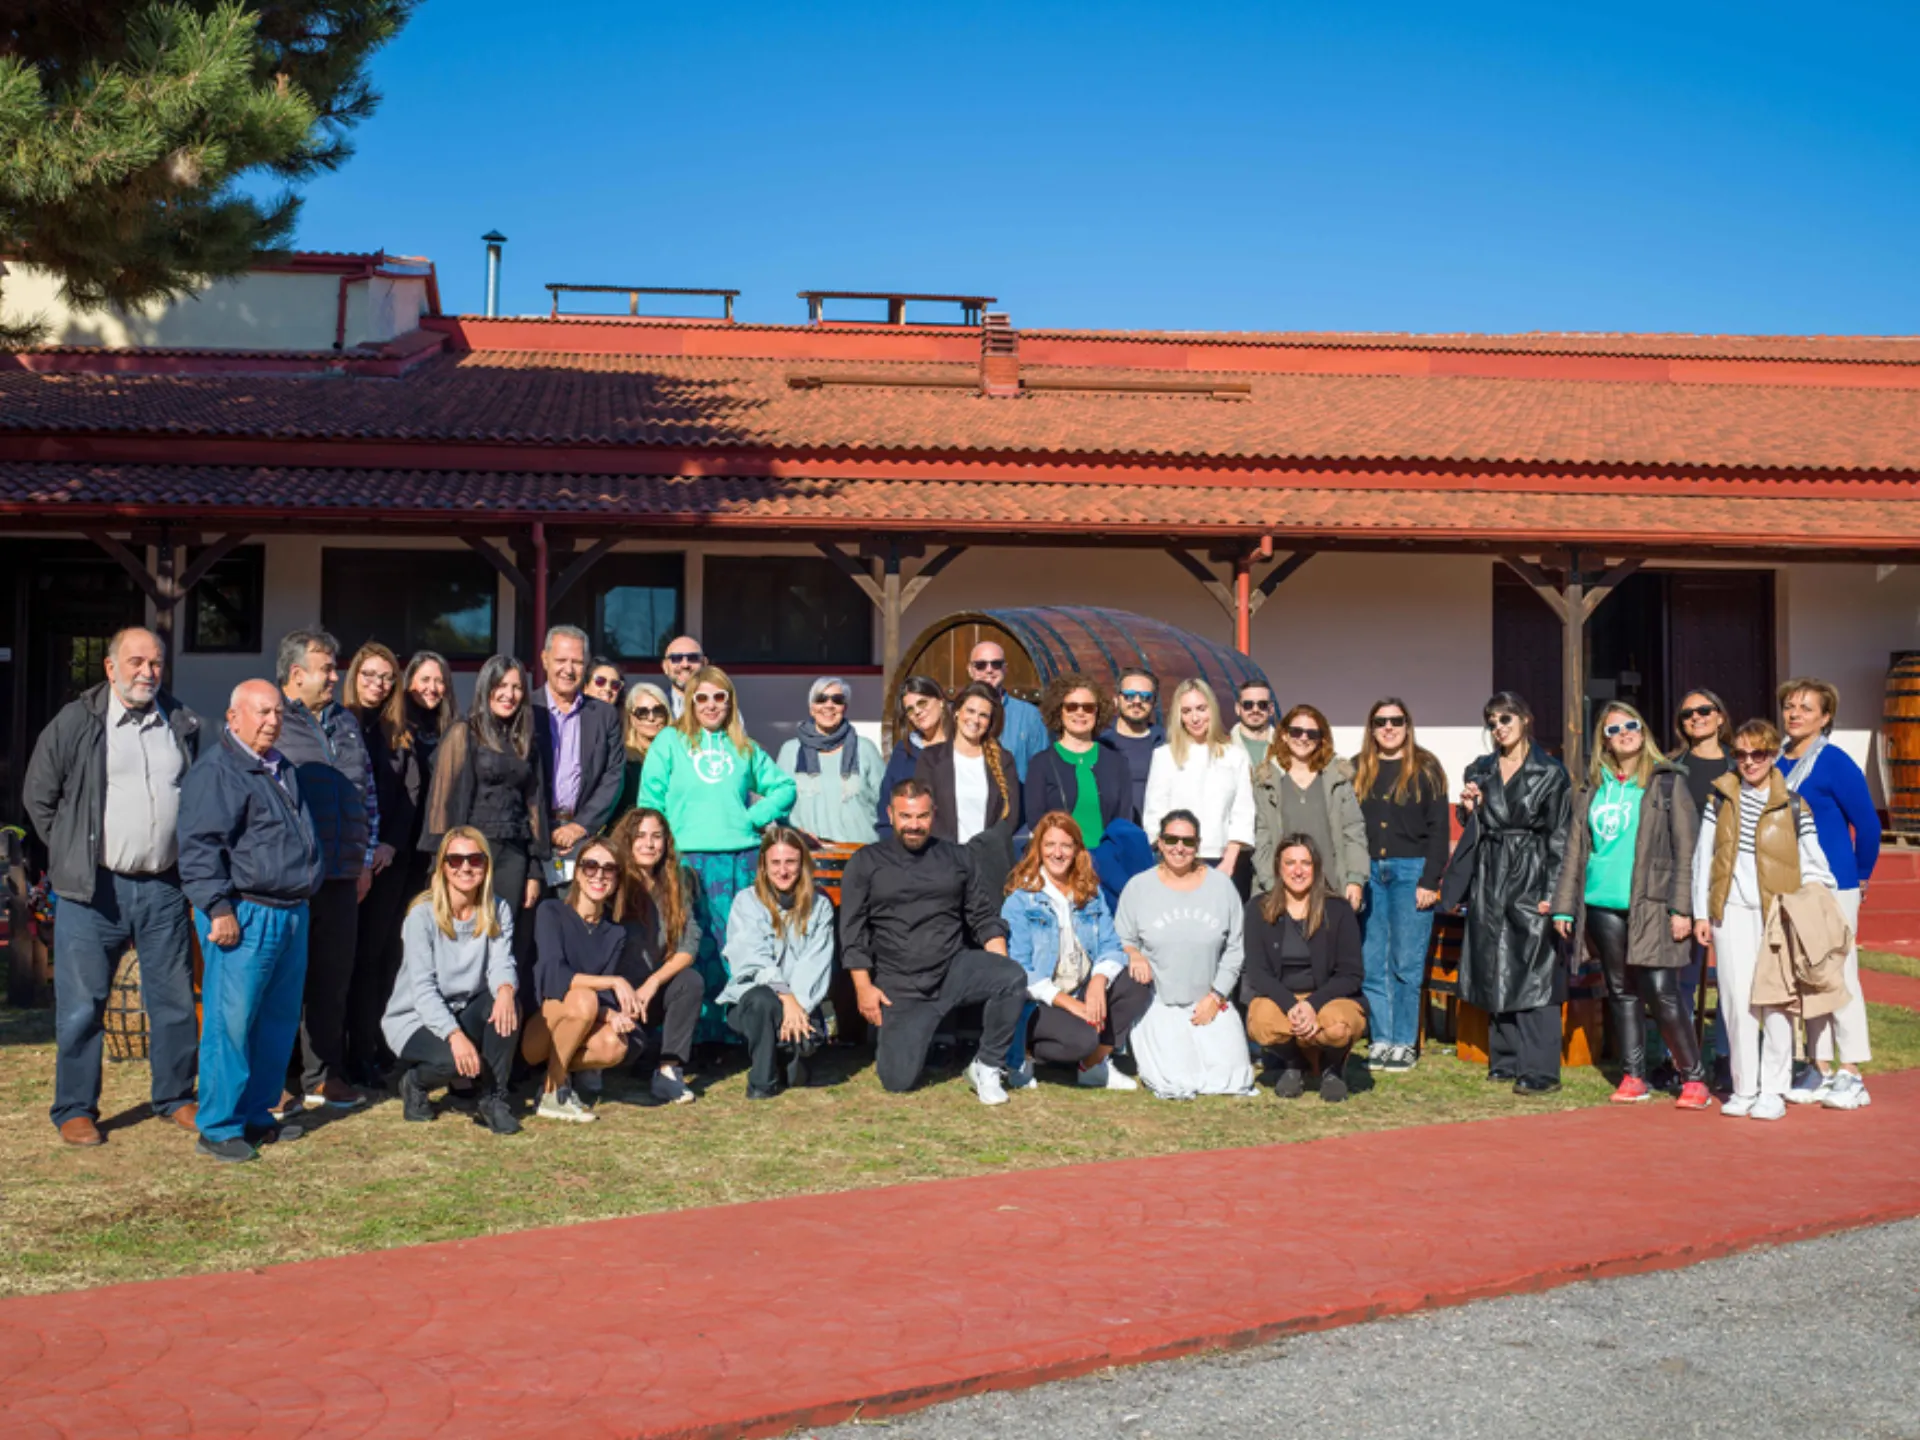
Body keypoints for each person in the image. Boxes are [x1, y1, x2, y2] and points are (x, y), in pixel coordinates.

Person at [24, 626, 205, 1147]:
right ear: (110, 667)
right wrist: (71, 851)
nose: (147, 671)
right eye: (136, 661)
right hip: (93, 889)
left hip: (164, 886)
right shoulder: (77, 721)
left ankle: (175, 1096)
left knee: (172, 1001)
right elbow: (40, 796)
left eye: (155, 662)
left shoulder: (181, 721)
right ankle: (76, 1108)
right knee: (83, 1004)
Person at [176, 680, 324, 1162]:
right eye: (261, 712)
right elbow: (198, 847)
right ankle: (218, 1126)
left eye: (277, 712)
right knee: (231, 1024)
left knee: (275, 1023)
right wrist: (217, 908)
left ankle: (257, 1114)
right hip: (243, 912)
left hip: (290, 913)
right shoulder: (217, 771)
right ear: (233, 716)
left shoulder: (280, 767)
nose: (271, 721)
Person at [1549, 704, 1710, 1110]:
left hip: (1654, 904)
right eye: (1613, 728)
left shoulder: (1667, 783)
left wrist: (1681, 908)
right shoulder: (1590, 789)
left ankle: (1693, 1078)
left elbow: (1685, 851)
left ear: (1644, 731)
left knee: (1662, 991)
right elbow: (1575, 851)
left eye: (1631, 725)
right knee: (1621, 992)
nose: (1624, 733)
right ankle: (1634, 1075)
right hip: (1603, 904)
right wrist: (1565, 906)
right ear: (1604, 739)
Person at [839, 780, 1027, 1103]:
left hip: (953, 970)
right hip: (901, 983)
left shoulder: (958, 857)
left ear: (933, 815)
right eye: (906, 817)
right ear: (891, 814)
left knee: (1012, 977)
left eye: (922, 817)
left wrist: (1000, 961)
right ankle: (919, 1040)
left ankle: (987, 1065)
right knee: (896, 1081)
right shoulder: (865, 862)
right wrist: (863, 987)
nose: (914, 825)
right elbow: (852, 931)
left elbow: (982, 916)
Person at [639, 664, 796, 1045]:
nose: (711, 706)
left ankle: (734, 1032)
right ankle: (688, 1035)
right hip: (685, 860)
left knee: (735, 945)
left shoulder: (743, 746)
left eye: (719, 698)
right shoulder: (669, 742)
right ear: (691, 701)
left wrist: (752, 817)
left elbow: (785, 787)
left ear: (730, 702)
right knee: (690, 945)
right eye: (702, 698)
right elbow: (649, 801)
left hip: (738, 860)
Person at [1692, 719, 1837, 1120]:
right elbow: (1703, 859)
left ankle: (1773, 1089)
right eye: (1740, 753)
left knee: (1777, 1003)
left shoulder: (1793, 803)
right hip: (1730, 913)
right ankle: (1744, 1086)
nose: (1749, 761)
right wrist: (1701, 912)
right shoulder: (1719, 798)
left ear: (1773, 754)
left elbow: (1815, 864)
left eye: (1758, 753)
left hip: (1778, 915)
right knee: (1737, 1004)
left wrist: (1809, 905)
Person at [274, 628, 377, 1112]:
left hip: (343, 874)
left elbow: (366, 794)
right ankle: (275, 1075)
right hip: (293, 877)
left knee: (331, 981)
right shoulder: (275, 722)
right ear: (297, 674)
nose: (336, 677)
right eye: (327, 669)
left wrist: (365, 856)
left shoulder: (347, 723)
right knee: (282, 981)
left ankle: (323, 1075)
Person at [1448, 693, 1572, 1096]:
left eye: (1506, 718)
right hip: (1490, 871)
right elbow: (1473, 825)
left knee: (1535, 966)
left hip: (1532, 870)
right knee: (1493, 960)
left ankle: (1540, 1068)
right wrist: (1468, 809)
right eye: (1492, 722)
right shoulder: (1480, 769)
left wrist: (1553, 892)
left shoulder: (1550, 772)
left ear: (1525, 719)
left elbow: (1560, 835)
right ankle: (1505, 1059)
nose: (1499, 727)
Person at [1777, 677, 1881, 1110]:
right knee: (1806, 977)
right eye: (1789, 706)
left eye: (1805, 707)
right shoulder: (1775, 762)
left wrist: (1859, 876)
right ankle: (1817, 1066)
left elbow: (1868, 824)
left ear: (1824, 717)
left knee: (1839, 973)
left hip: (1835, 884)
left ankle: (1852, 1071)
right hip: (1792, 885)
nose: (1795, 713)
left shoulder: (1835, 762)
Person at [420, 654, 548, 998]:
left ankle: (501, 1025)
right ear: (486, 687)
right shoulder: (464, 732)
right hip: (472, 854)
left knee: (507, 941)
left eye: (517, 687)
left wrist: (535, 867)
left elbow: (534, 804)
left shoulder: (525, 738)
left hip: (515, 855)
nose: (509, 694)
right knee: (468, 940)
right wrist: (440, 865)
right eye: (501, 685)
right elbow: (441, 804)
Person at [381, 828, 520, 1134]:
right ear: (443, 866)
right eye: (455, 860)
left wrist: (507, 990)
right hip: (414, 1017)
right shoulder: (421, 915)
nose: (466, 867)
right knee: (453, 1061)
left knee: (506, 1002)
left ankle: (493, 1099)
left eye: (474, 859)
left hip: (464, 1007)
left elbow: (501, 963)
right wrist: (455, 1036)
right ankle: (414, 1083)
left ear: (486, 864)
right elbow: (423, 990)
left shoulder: (498, 908)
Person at [1115, 809, 1255, 1100]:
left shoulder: (1221, 886)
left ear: (1198, 845)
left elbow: (1235, 948)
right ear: (1160, 842)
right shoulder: (1138, 887)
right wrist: (1134, 954)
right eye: (1171, 839)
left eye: (1188, 842)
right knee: (1175, 1081)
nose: (1179, 848)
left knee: (1230, 1078)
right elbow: (1121, 938)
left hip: (1208, 1000)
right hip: (1159, 1002)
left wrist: (1216, 996)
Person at [1001, 810, 1147, 1089]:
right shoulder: (1020, 900)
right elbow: (1020, 969)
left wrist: (1098, 982)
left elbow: (1111, 946)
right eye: (1050, 845)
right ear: (1039, 850)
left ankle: (1094, 1064)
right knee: (1082, 1038)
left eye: (1066, 845)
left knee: (1137, 980)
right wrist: (1070, 1004)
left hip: (1081, 988)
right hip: (1039, 1000)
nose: (1058, 853)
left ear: (1077, 850)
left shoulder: (1091, 894)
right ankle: (1026, 1053)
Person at [342, 641, 424, 1090]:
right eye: (369, 675)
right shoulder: (339, 725)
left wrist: (389, 846)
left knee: (375, 960)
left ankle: (367, 1053)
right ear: (354, 676)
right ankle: (332, 1056)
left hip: (387, 863)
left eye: (386, 677)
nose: (377, 684)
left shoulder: (400, 731)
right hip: (345, 864)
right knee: (341, 962)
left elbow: (410, 796)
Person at [1352, 697, 1448, 1074]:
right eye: (1380, 722)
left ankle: (1404, 1041)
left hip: (1412, 871)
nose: (1388, 728)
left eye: (1396, 720)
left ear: (1407, 725)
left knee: (1406, 961)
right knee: (1372, 959)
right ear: (1371, 728)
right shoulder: (1358, 768)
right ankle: (1381, 1039)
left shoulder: (1425, 768)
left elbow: (1439, 828)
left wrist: (1430, 879)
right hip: (1370, 871)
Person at [1242, 834, 1368, 1102]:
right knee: (1261, 1023)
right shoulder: (1257, 909)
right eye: (1290, 863)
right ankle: (1294, 1063)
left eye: (1305, 863)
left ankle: (1332, 1068)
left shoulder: (1338, 909)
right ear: (1278, 867)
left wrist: (1312, 1004)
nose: (1297, 871)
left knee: (1338, 1027)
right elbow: (1257, 972)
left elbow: (1351, 973)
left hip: (1328, 998)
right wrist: (1291, 1005)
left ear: (1316, 867)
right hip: (1281, 998)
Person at [519, 836, 633, 1122]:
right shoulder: (551, 911)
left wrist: (611, 1016)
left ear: (618, 879)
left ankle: (554, 1079)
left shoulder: (615, 933)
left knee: (615, 1044)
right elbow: (553, 974)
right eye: (590, 865)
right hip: (538, 1029)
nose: (599, 875)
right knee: (583, 998)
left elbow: (601, 1000)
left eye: (609, 869)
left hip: (580, 1020)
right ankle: (553, 1090)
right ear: (578, 873)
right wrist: (613, 982)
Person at [719, 826, 837, 1098]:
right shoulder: (746, 902)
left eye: (790, 862)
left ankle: (788, 1052)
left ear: (802, 864)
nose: (783, 871)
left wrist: (799, 1006)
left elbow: (815, 962)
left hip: (801, 1003)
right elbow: (752, 959)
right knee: (764, 1000)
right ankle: (762, 1082)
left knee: (799, 1066)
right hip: (754, 1001)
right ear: (763, 865)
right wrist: (786, 998)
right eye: (776, 862)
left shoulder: (820, 906)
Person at [607, 806, 707, 1104]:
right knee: (622, 1051)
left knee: (690, 981)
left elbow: (690, 943)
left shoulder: (677, 881)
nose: (649, 844)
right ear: (627, 840)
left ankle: (669, 1071)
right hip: (613, 994)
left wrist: (653, 982)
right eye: (640, 836)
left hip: (651, 992)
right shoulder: (611, 880)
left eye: (656, 837)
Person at [1250, 703, 1367, 907]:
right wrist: (1271, 884)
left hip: (1330, 887)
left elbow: (1353, 831)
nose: (1303, 738)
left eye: (1311, 733)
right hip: (1280, 890)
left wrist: (1355, 879)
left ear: (1322, 739)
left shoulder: (1337, 779)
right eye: (1296, 731)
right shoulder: (1266, 781)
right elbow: (1262, 838)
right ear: (1284, 735)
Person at [532, 625, 626, 872]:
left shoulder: (604, 715)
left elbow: (613, 776)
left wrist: (580, 826)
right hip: (530, 837)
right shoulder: (526, 710)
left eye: (577, 662)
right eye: (561, 660)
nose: (568, 669)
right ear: (545, 659)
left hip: (582, 838)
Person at [1142, 678, 1254, 886]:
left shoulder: (1235, 757)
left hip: (1221, 861)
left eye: (1201, 709)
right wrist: (1170, 857)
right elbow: (1154, 813)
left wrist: (1229, 861)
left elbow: (1243, 812)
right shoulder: (1164, 756)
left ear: (1212, 709)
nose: (1195, 717)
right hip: (1176, 860)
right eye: (1186, 711)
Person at [915, 681, 1022, 894]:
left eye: (983, 715)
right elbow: (923, 810)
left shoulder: (1003, 760)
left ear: (990, 721)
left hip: (989, 868)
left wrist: (983, 849)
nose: (975, 719)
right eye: (970, 711)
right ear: (957, 712)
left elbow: (1011, 817)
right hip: (942, 865)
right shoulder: (931, 758)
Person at [1023, 673, 1131, 851]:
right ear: (1060, 711)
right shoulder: (1041, 764)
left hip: (1106, 861)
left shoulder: (1117, 763)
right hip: (1060, 860)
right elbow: (1036, 820)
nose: (1080, 712)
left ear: (1097, 712)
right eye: (1072, 706)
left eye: (1088, 708)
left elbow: (1123, 820)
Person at [777, 676, 884, 845]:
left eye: (837, 700)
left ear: (845, 707)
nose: (829, 705)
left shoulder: (865, 749)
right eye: (820, 699)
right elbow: (778, 807)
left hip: (860, 854)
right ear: (811, 708)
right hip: (810, 856)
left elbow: (887, 804)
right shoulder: (790, 751)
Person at [875, 675, 949, 836]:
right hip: (910, 849)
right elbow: (886, 805)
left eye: (922, 703)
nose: (917, 712)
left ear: (941, 701)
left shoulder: (962, 747)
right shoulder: (903, 751)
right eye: (910, 709)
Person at [967, 640, 1048, 782]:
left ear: (1005, 669)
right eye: (981, 665)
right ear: (970, 670)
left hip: (1017, 801)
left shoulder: (1030, 716)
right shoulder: (957, 715)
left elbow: (1042, 773)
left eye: (996, 664)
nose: (989, 670)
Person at [1099, 667, 1165, 823]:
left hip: (1155, 837)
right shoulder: (1100, 742)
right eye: (1129, 695)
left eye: (1145, 697)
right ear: (1116, 699)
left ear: (1154, 702)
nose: (1137, 701)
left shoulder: (1165, 742)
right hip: (1109, 835)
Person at [615, 681, 673, 817]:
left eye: (658, 711)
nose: (651, 718)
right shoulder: (622, 761)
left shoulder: (679, 756)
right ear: (632, 719)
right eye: (642, 712)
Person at [1231, 682, 1277, 771]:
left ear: (1271, 709)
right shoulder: (1223, 749)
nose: (1255, 710)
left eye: (1262, 704)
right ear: (1237, 708)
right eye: (1248, 705)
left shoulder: (1285, 748)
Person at [661, 634, 706, 718]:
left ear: (704, 664)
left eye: (693, 658)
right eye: (676, 658)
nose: (685, 665)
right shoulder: (656, 705)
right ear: (665, 667)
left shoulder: (720, 706)